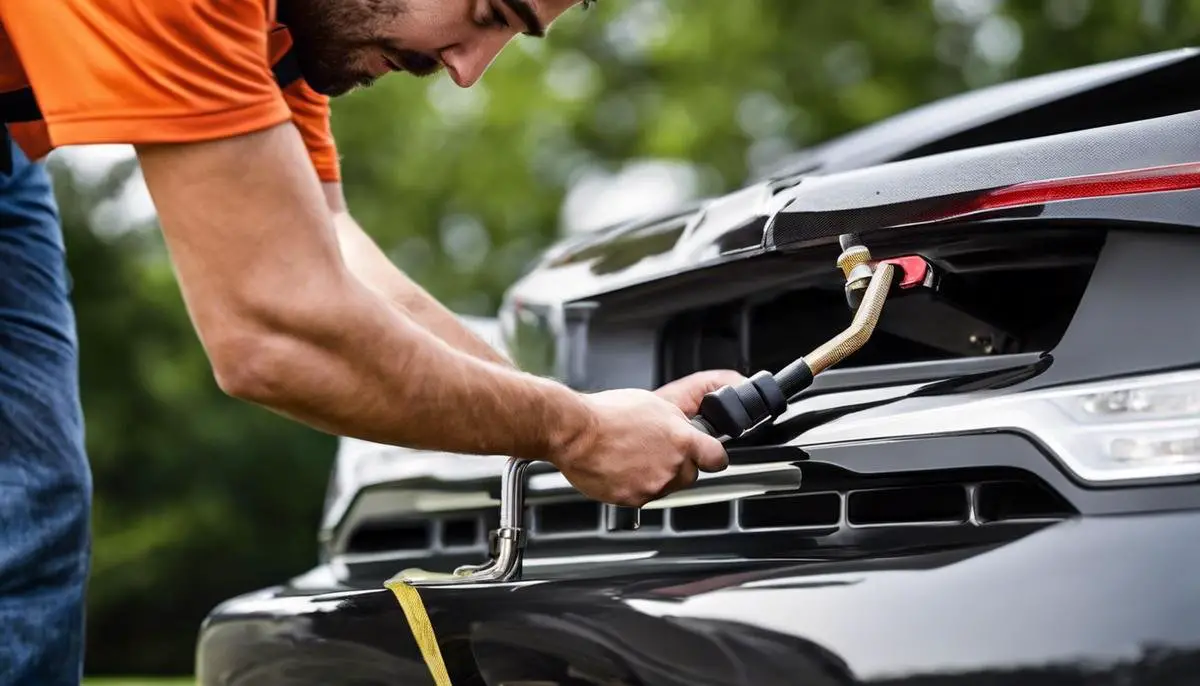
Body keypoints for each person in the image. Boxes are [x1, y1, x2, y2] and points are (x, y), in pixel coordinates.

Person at [0, 0, 742, 682]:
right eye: (485, 13)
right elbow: (272, 332)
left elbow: (331, 259)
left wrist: (587, 417)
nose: (467, 70)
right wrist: (574, 430)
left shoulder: (282, 28)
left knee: (30, 507)